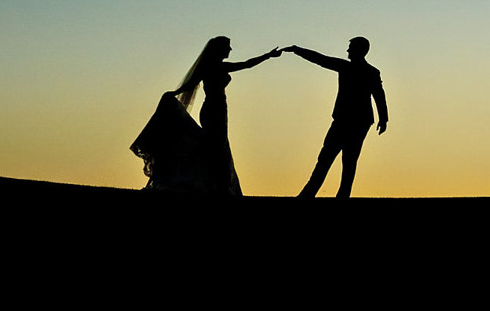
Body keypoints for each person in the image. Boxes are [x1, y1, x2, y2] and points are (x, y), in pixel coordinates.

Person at [131, 35, 281, 193]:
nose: (230, 49)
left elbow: (245, 65)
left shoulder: (214, 66)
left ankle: (209, 183)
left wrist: (268, 56)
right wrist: (174, 93)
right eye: (227, 46)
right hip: (214, 110)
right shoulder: (213, 67)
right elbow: (244, 66)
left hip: (217, 109)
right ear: (219, 49)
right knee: (217, 148)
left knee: (215, 148)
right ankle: (214, 185)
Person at [283, 36, 387, 199]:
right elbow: (321, 59)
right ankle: (319, 193)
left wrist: (384, 118)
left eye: (350, 47)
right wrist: (298, 50)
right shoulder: (362, 70)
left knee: (336, 157)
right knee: (340, 158)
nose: (348, 50)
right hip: (355, 120)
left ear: (359, 50)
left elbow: (379, 95)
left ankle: (317, 194)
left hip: (351, 120)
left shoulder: (356, 69)